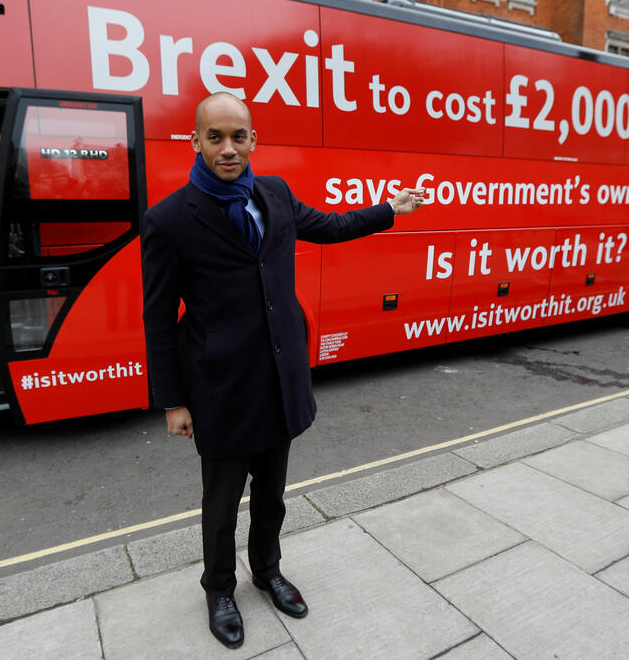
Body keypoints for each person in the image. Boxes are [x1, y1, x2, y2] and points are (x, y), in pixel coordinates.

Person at [141, 92, 424, 649]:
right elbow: (156, 318)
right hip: (221, 388)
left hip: (280, 377)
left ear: (253, 140)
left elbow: (332, 225)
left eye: (238, 136)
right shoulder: (169, 219)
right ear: (195, 141)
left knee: (272, 495)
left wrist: (390, 209)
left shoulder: (274, 192)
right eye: (215, 136)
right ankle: (219, 589)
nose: (228, 148)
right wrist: (173, 401)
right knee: (221, 504)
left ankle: (266, 571)